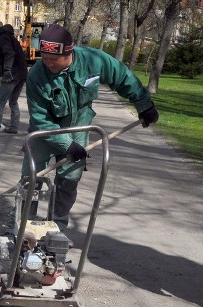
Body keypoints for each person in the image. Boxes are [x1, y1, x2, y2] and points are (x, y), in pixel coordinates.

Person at [21, 23, 159, 231]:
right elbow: (40, 118)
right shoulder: (36, 75)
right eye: (45, 58)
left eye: (54, 59)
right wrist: (65, 144)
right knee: (30, 179)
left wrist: (144, 105)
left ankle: (56, 228)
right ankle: (22, 225)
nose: (48, 63)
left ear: (69, 52)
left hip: (79, 127)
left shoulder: (94, 61)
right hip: (44, 132)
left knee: (68, 181)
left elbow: (123, 77)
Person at [0, 22, 28, 134]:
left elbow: (9, 54)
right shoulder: (11, 37)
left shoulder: (3, 37)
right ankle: (14, 127)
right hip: (21, 74)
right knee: (13, 102)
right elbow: (5, 63)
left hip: (12, 74)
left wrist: (8, 70)